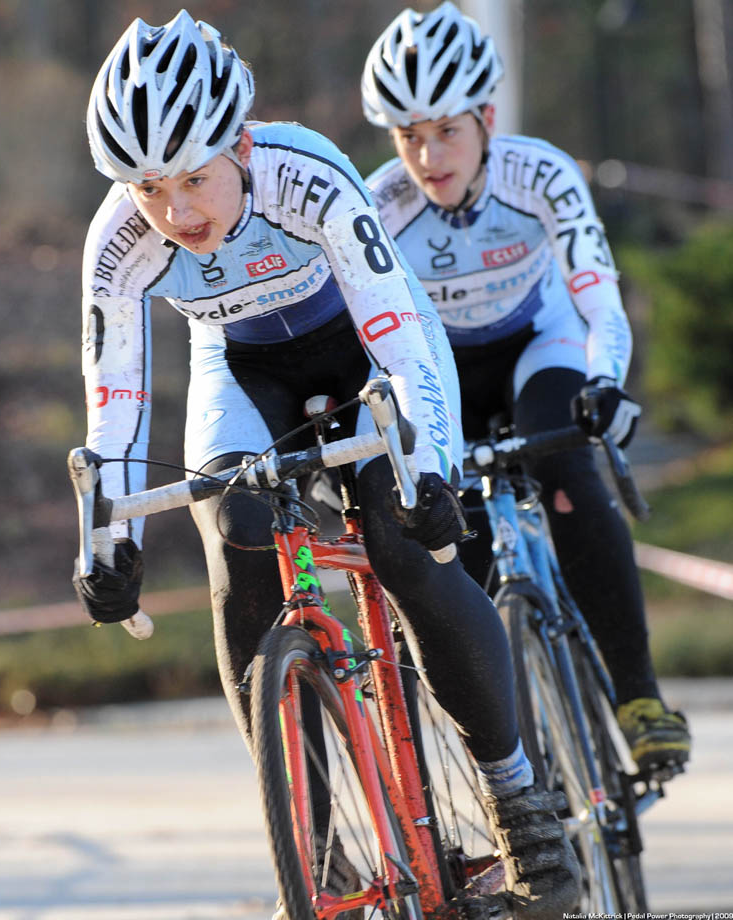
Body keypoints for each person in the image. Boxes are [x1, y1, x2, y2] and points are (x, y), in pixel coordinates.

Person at [73, 10, 578, 917]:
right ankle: (314, 846)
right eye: (149, 189)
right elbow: (115, 399)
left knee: (401, 541)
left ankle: (516, 797)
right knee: (238, 537)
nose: (177, 212)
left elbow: (396, 326)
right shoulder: (119, 242)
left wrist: (426, 467)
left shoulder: (307, 176)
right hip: (240, 363)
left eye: (195, 178)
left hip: (365, 347)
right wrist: (106, 539)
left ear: (241, 141)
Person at [360, 1, 691, 780]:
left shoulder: (538, 173)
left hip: (539, 345)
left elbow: (597, 294)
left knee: (569, 470)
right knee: (446, 538)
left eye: (447, 131)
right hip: (443, 368)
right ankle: (506, 767)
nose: (429, 155)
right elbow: (369, 342)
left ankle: (639, 699)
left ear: (487, 116)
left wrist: (605, 383)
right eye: (409, 137)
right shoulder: (379, 206)